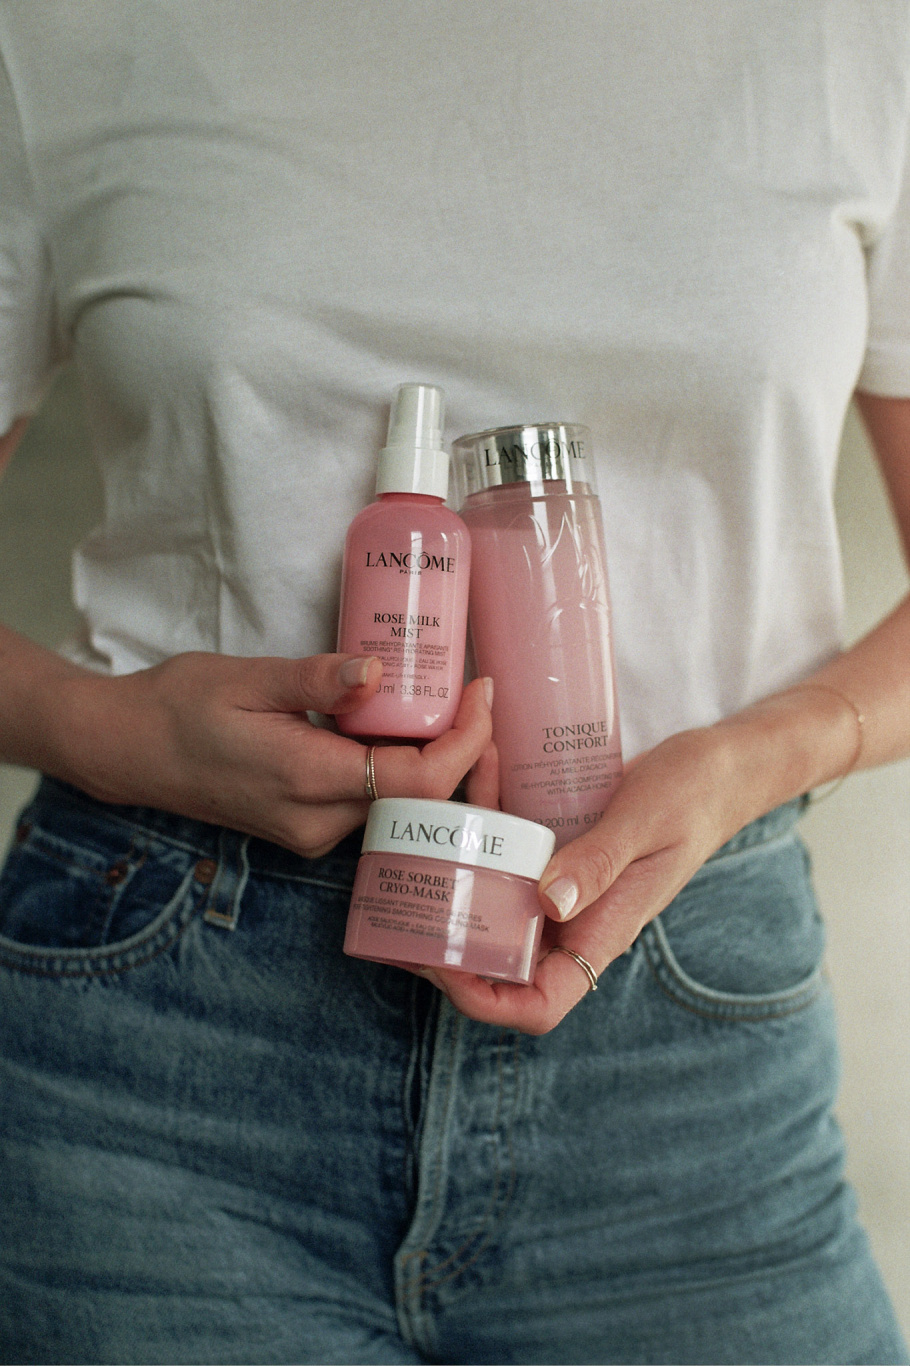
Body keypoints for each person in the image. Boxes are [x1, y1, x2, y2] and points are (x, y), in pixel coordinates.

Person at [1, 3, 908, 1363]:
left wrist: (759, 756)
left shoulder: (854, 38)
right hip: (167, 1037)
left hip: (675, 1013)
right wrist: (113, 733)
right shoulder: (63, 32)